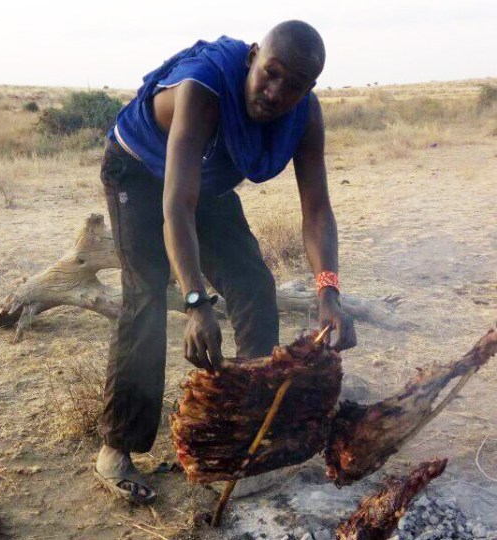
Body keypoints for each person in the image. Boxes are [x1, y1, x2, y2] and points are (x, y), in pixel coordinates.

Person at [94, 20, 357, 504]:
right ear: (254, 56)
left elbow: (317, 209)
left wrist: (329, 293)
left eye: (293, 86)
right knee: (147, 295)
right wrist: (196, 301)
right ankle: (117, 448)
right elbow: (176, 209)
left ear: (309, 89)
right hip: (138, 168)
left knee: (255, 285)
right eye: (270, 73)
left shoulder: (306, 118)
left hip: (203, 182)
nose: (276, 93)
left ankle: (241, 435)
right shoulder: (203, 89)